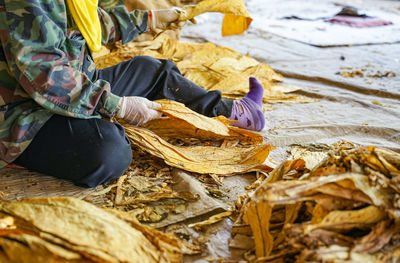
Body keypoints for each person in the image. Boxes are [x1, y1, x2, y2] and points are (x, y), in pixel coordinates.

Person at [0, 0, 265, 188]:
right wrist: (117, 105)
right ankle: (23, 155)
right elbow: (43, 73)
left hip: (72, 81)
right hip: (21, 111)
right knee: (109, 153)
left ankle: (232, 112)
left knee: (150, 69)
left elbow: (89, 24)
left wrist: (150, 19)